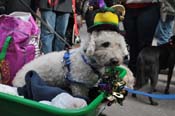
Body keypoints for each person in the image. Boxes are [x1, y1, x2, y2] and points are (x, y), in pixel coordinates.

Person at [123, 0, 160, 75]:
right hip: (128, 7)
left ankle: (142, 75)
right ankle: (132, 72)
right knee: (131, 42)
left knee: (144, 44)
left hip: (148, 6)